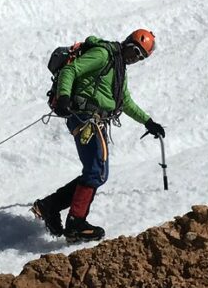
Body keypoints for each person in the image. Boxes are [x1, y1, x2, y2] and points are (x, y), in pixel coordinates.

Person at [32, 29, 165, 243]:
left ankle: (50, 206)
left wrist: (148, 122)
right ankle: (75, 222)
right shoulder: (104, 55)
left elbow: (125, 102)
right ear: (128, 42)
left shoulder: (119, 70)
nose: (135, 57)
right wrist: (64, 96)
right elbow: (70, 71)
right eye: (135, 51)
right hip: (85, 117)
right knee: (97, 171)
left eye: (140, 57)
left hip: (94, 120)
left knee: (96, 172)